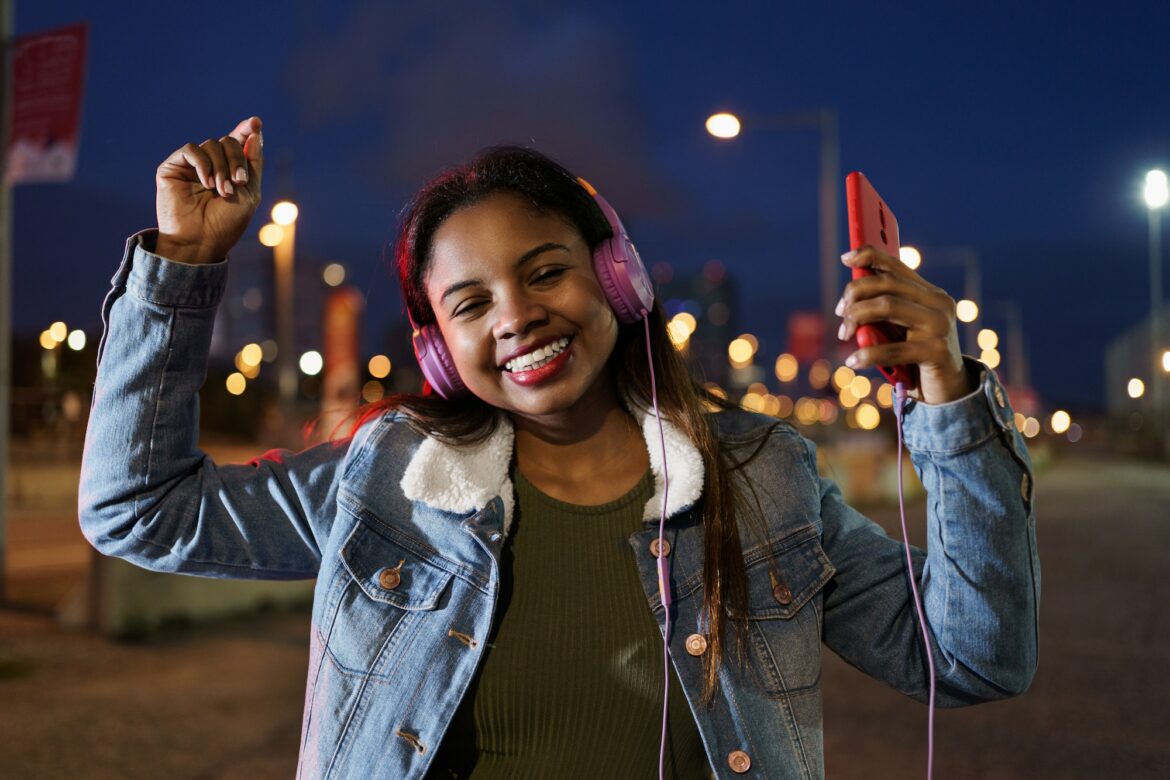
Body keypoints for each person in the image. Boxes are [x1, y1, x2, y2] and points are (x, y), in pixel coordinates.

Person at [79, 116, 1039, 779]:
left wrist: (950, 403)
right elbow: (136, 509)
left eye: (547, 272)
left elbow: (973, 656)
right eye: (471, 304)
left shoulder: (764, 478)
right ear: (438, 350)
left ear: (617, 280)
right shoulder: (387, 480)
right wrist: (184, 267)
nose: (518, 318)